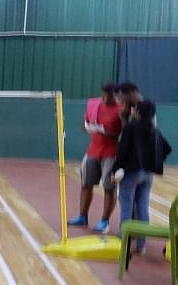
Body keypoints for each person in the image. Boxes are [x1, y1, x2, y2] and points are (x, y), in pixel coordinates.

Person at [112, 100, 172, 255]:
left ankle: (124, 241)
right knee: (143, 208)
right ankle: (141, 245)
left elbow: (123, 150)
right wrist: (155, 159)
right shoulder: (154, 130)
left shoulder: (131, 127)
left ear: (137, 112)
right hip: (147, 174)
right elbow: (167, 148)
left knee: (126, 206)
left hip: (131, 172)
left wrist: (116, 169)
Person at [68, 82, 123, 234]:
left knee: (109, 187)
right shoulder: (94, 104)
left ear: (116, 96)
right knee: (86, 184)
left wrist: (107, 132)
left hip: (112, 153)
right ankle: (82, 216)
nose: (105, 99)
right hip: (93, 151)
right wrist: (87, 125)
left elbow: (124, 134)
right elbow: (84, 124)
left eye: (109, 96)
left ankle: (104, 222)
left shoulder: (121, 108)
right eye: (103, 95)